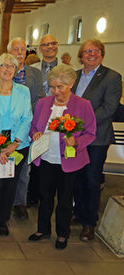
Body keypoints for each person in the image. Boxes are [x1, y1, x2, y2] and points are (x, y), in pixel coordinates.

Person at [29, 64, 96, 249]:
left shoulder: (83, 105)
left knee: (65, 199)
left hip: (69, 161)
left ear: (71, 84)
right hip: (45, 159)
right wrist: (34, 134)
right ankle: (43, 229)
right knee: (45, 197)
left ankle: (62, 234)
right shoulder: (43, 103)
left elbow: (90, 133)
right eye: (53, 87)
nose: (56, 91)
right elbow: (34, 127)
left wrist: (76, 142)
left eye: (60, 87)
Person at [72, 39, 122, 241]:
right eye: (87, 51)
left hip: (97, 138)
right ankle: (79, 212)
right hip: (74, 138)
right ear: (81, 55)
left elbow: (110, 108)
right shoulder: (74, 76)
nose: (91, 55)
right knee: (77, 177)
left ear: (102, 53)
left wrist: (80, 124)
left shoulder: (111, 77)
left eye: (95, 51)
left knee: (92, 179)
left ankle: (89, 222)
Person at [0, 53, 32, 236]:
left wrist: (14, 144)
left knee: (11, 184)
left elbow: (27, 118)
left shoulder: (23, 91)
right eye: (3, 65)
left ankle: (4, 220)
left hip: (18, 145)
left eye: (12, 66)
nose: (8, 69)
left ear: (16, 70)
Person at [8, 37, 46, 219]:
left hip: (27, 125)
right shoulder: (3, 71)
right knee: (4, 164)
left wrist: (26, 114)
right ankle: (4, 200)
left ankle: (19, 202)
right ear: (9, 52)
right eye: (16, 49)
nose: (20, 53)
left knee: (23, 168)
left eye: (22, 49)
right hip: (5, 126)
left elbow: (40, 98)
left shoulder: (35, 74)